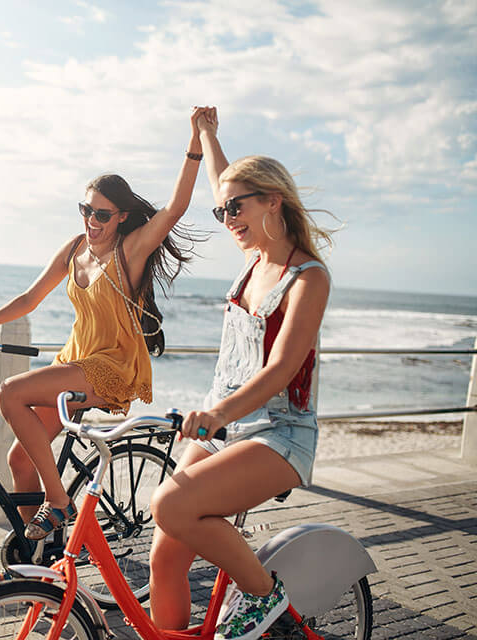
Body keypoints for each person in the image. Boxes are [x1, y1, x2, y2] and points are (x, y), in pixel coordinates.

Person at [0, 108, 207, 541]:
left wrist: (196, 140)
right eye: (86, 209)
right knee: (19, 461)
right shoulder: (74, 249)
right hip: (76, 362)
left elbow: (176, 208)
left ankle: (59, 503)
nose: (92, 221)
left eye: (103, 214)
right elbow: (30, 299)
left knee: (10, 392)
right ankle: (37, 559)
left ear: (122, 216)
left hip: (112, 367)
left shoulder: (132, 250)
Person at [148, 107, 334, 640]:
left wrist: (219, 413)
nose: (227, 218)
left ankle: (264, 595)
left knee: (170, 503)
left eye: (237, 208)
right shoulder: (253, 257)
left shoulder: (307, 278)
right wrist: (206, 133)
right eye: (221, 211)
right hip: (225, 426)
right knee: (165, 555)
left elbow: (282, 368)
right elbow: (223, 182)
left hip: (278, 435)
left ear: (273, 200)